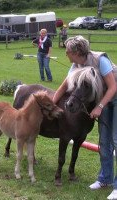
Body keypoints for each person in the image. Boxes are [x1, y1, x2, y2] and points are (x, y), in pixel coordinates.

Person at [52, 35, 117, 200]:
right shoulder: (76, 64)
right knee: (104, 142)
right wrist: (51, 104)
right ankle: (105, 179)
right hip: (102, 100)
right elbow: (65, 84)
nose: (65, 54)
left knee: (116, 141)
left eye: (67, 51)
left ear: (76, 51)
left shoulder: (100, 60)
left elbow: (113, 86)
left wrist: (100, 106)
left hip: (114, 98)